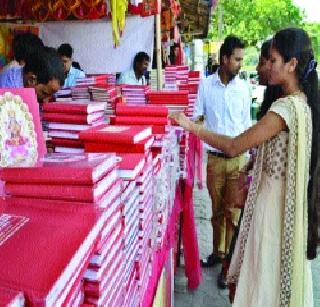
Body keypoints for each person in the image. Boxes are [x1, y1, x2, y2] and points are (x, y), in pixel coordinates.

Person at [171, 27, 318, 307]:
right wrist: (252, 167)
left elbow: (234, 145)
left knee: (263, 274)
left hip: (271, 206)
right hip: (275, 200)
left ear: (292, 65)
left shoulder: (284, 110)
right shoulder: (302, 105)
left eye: (272, 60)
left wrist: (190, 127)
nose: (266, 66)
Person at [193, 35, 251, 289]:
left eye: (241, 59)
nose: (240, 64)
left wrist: (248, 161)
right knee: (216, 212)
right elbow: (197, 117)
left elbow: (247, 124)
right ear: (224, 59)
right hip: (215, 161)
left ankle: (229, 262)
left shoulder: (244, 87)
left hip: (238, 160)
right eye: (237, 59)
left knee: (233, 214)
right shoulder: (205, 85)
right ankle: (217, 254)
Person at [0, 47, 65, 103]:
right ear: (31, 80)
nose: (46, 101)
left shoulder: (22, 76)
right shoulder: (7, 93)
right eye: (44, 93)